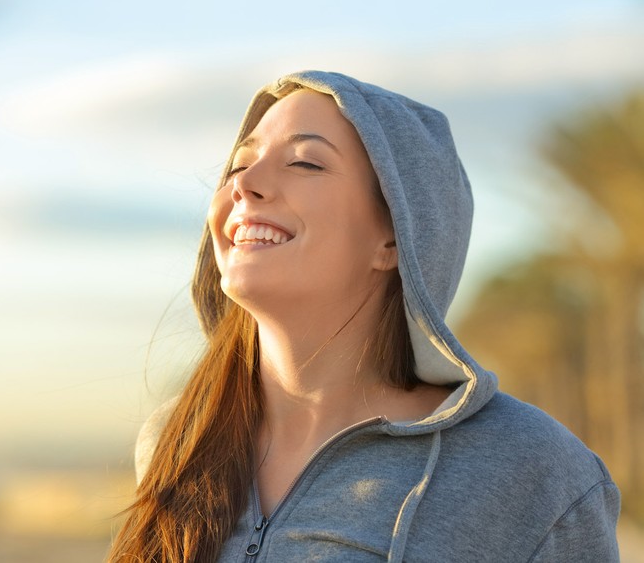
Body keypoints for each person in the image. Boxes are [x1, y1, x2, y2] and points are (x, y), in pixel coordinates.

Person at [107, 71, 621, 562]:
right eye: (240, 165)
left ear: (395, 238)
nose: (246, 185)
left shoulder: (532, 470)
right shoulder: (178, 439)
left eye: (306, 162)